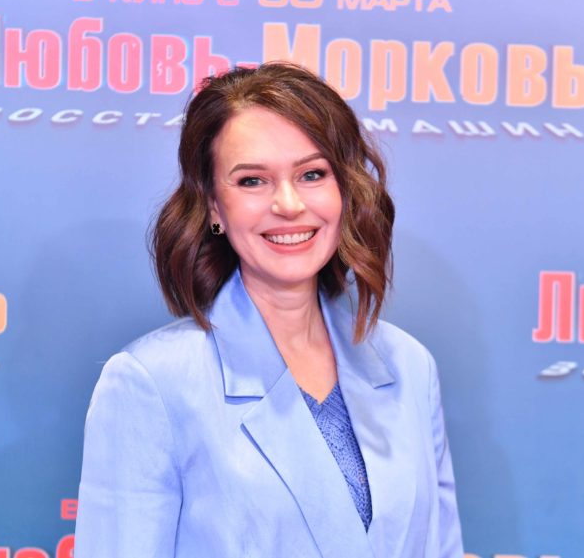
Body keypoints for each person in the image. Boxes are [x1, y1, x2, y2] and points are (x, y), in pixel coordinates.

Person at [74, 63, 463, 558]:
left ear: (345, 190)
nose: (288, 203)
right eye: (252, 181)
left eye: (312, 174)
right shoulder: (151, 383)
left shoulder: (409, 366)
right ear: (214, 206)